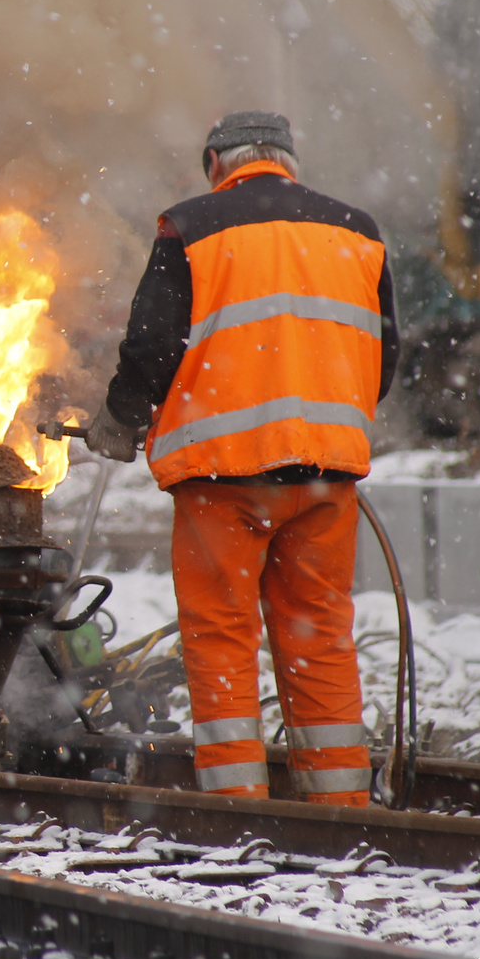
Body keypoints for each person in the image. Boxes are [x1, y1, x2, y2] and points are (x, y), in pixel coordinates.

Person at [86, 111, 398, 807]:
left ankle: (236, 806)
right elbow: (383, 356)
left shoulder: (190, 228)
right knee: (317, 634)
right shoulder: (356, 232)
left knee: (221, 633)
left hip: (221, 479)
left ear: (214, 163)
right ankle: (338, 805)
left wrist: (118, 421)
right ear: (286, 160)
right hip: (324, 478)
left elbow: (151, 346)